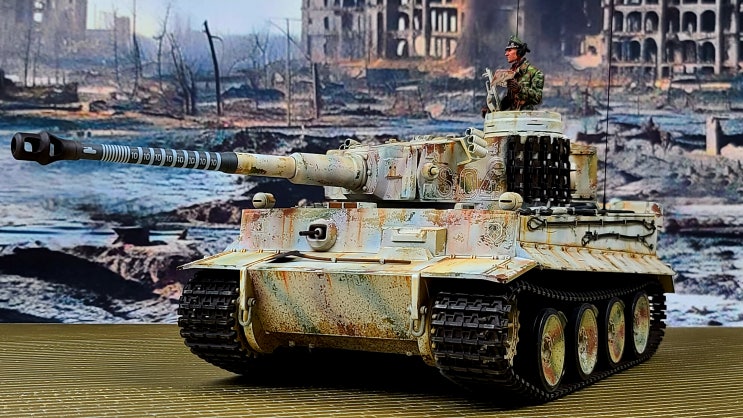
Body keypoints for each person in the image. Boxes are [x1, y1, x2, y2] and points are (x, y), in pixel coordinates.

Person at [482, 35, 544, 115]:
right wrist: (491, 108)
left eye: (509, 50)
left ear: (519, 52)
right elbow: (509, 99)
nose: (506, 54)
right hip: (513, 117)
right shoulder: (511, 73)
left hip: (528, 117)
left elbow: (538, 98)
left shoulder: (535, 73)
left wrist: (520, 89)